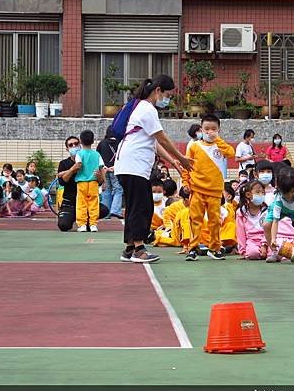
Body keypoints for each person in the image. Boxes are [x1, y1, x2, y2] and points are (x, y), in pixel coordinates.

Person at [115, 75, 193, 263]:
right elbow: (162, 138)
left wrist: (172, 161)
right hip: (135, 165)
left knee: (134, 205)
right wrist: (182, 158)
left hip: (126, 164)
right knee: (142, 207)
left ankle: (129, 248)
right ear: (157, 91)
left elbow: (154, 141)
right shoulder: (148, 109)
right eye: (167, 94)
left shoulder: (139, 107)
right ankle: (139, 250)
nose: (168, 99)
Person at [182, 114, 235, 261]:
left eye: (213, 129)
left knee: (214, 221)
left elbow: (231, 153)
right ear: (201, 129)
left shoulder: (221, 146)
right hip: (197, 189)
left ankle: (215, 248)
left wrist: (217, 140)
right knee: (195, 220)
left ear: (218, 129)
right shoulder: (194, 146)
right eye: (206, 129)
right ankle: (192, 248)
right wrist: (186, 183)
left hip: (215, 191)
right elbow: (186, 167)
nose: (210, 131)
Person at [57, 136, 108, 232]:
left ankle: (88, 222)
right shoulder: (63, 163)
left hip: (88, 197)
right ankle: (81, 220)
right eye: (71, 145)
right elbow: (62, 182)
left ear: (80, 144)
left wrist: (99, 176)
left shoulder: (90, 157)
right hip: (70, 203)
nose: (74, 146)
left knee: (103, 209)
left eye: (76, 144)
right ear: (67, 149)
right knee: (64, 225)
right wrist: (72, 170)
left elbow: (100, 180)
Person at [263, 167, 294, 263]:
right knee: (266, 225)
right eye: (285, 194)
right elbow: (275, 221)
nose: (289, 196)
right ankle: (274, 252)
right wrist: (274, 239)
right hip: (282, 209)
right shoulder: (278, 201)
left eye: (291, 192)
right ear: (279, 189)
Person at [69, 130, 105, 233]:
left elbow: (78, 164)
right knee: (94, 203)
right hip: (94, 182)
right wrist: (103, 181)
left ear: (80, 141)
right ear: (93, 141)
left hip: (81, 182)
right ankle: (93, 224)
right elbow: (102, 168)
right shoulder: (97, 154)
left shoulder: (79, 154)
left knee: (81, 203)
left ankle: (82, 224)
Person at [97, 125, 123, 219]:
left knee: (106, 190)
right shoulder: (120, 143)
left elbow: (98, 156)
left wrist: (103, 167)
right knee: (118, 190)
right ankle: (115, 211)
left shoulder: (102, 143)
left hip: (104, 170)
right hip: (116, 169)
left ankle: (105, 213)